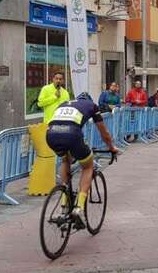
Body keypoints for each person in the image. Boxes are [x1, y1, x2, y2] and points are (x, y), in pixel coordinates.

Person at [46, 93, 120, 229]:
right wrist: (112, 147)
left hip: (51, 134)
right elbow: (104, 133)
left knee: (65, 161)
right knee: (87, 166)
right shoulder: (92, 106)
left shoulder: (64, 104)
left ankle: (64, 204)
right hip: (72, 134)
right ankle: (79, 208)